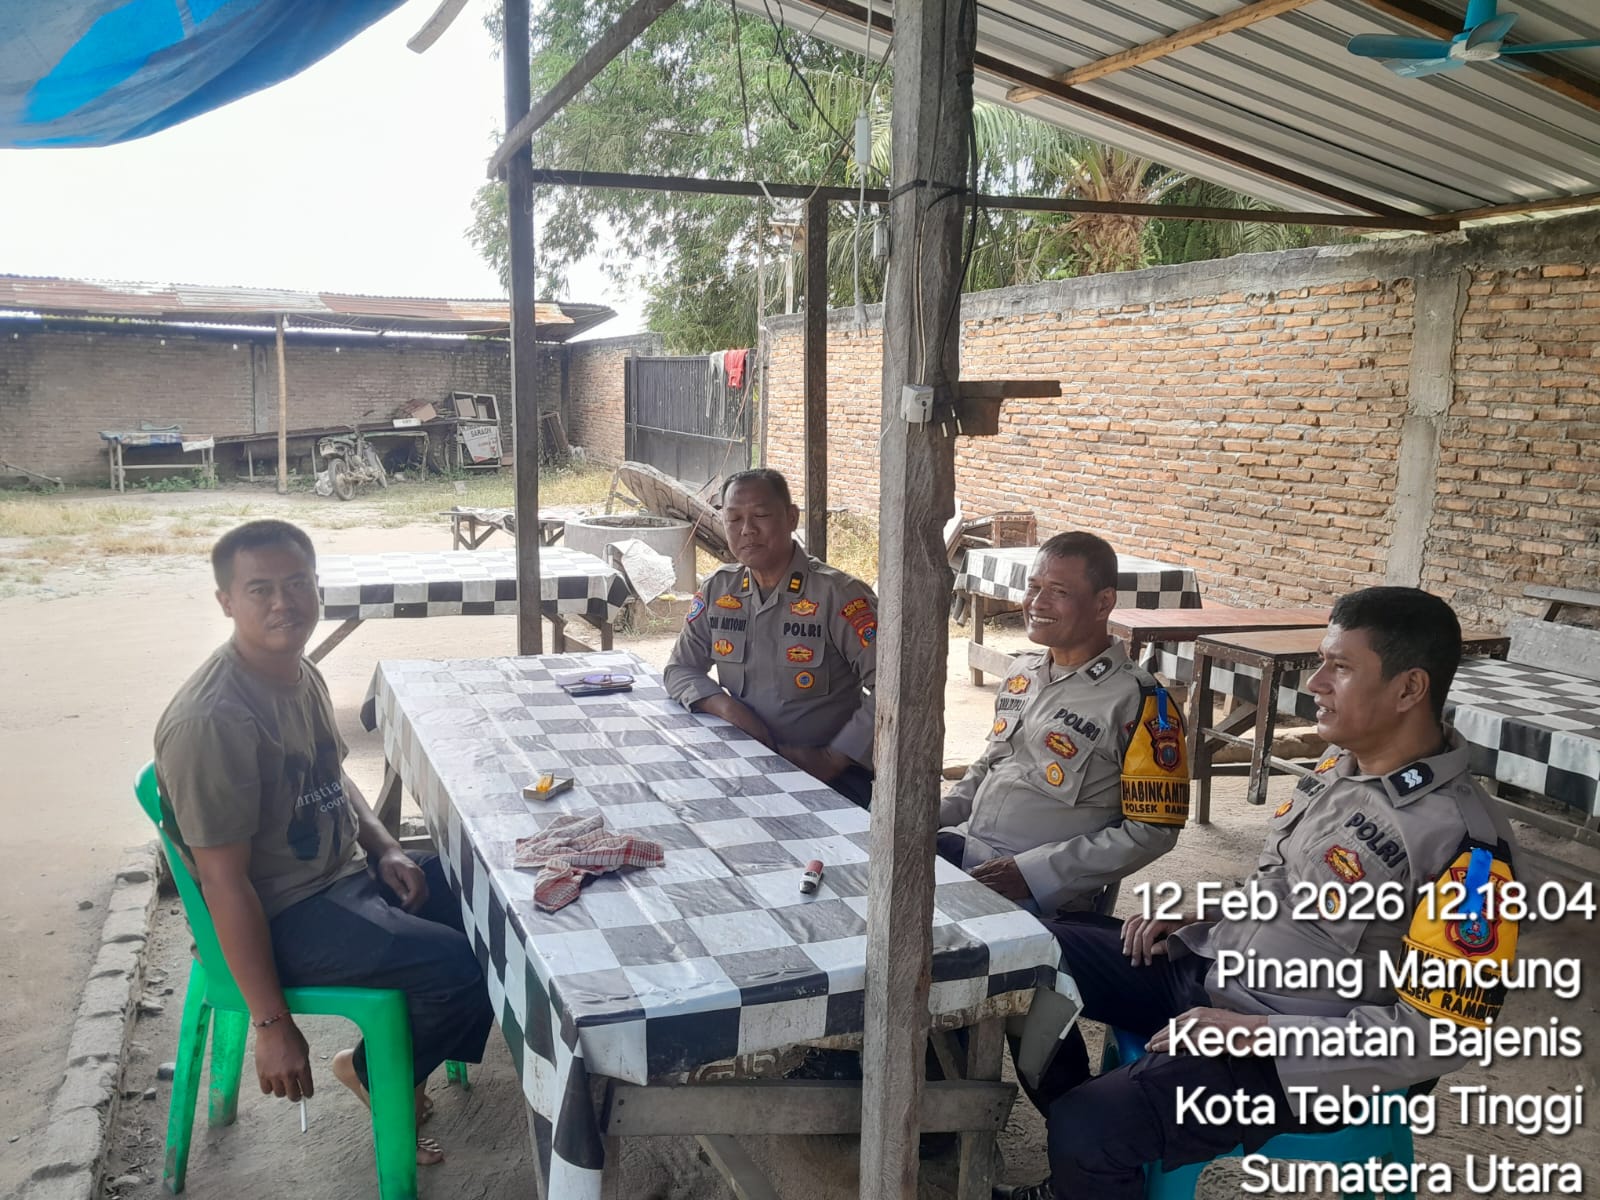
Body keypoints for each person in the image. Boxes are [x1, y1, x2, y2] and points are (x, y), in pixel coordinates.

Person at [997, 586, 1519, 1200]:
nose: (1316, 683)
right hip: (1216, 971)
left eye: (1341, 667)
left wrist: (1259, 1033)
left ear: (1409, 689)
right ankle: (1091, 1158)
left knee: (1092, 1127)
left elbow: (1445, 1034)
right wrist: (1214, 908)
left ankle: (1093, 1145)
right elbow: (1291, 885)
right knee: (1029, 953)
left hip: (1303, 1053)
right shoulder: (1340, 766)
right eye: (1321, 662)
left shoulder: (1469, 848)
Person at [153, 520, 493, 1165]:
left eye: (296, 584)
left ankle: (405, 1061)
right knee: (460, 968)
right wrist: (272, 1024)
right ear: (226, 601)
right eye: (260, 589)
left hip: (342, 876)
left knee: (491, 903)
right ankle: (372, 1074)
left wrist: (386, 847)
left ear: (316, 587)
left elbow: (330, 775)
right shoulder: (213, 720)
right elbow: (224, 882)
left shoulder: (297, 669)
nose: (283, 603)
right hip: (283, 912)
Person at [939, 531, 1189, 916]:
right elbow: (989, 765)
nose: (1037, 602)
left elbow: (1154, 831)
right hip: (964, 850)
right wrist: (928, 819)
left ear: (1104, 602)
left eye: (1058, 591)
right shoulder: (1022, 673)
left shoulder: (1142, 703)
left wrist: (1034, 873)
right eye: (1033, 587)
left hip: (1036, 895)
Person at [664, 468, 878, 806]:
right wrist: (727, 708)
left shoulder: (838, 596)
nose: (747, 530)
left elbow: (894, 688)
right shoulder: (720, 589)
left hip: (826, 774)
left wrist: (834, 757)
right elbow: (680, 669)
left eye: (761, 515)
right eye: (734, 519)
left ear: (791, 518)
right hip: (742, 759)